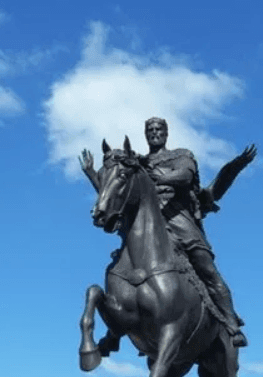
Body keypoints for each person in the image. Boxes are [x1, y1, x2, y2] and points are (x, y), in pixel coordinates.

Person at [81, 117, 251, 347]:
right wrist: (92, 173)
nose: (154, 133)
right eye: (149, 130)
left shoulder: (182, 155)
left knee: (206, 267)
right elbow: (115, 190)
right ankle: (114, 333)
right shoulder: (137, 163)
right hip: (146, 224)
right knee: (122, 263)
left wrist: (157, 177)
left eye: (158, 129)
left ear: (166, 133)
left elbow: (185, 176)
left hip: (178, 220)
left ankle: (231, 323)